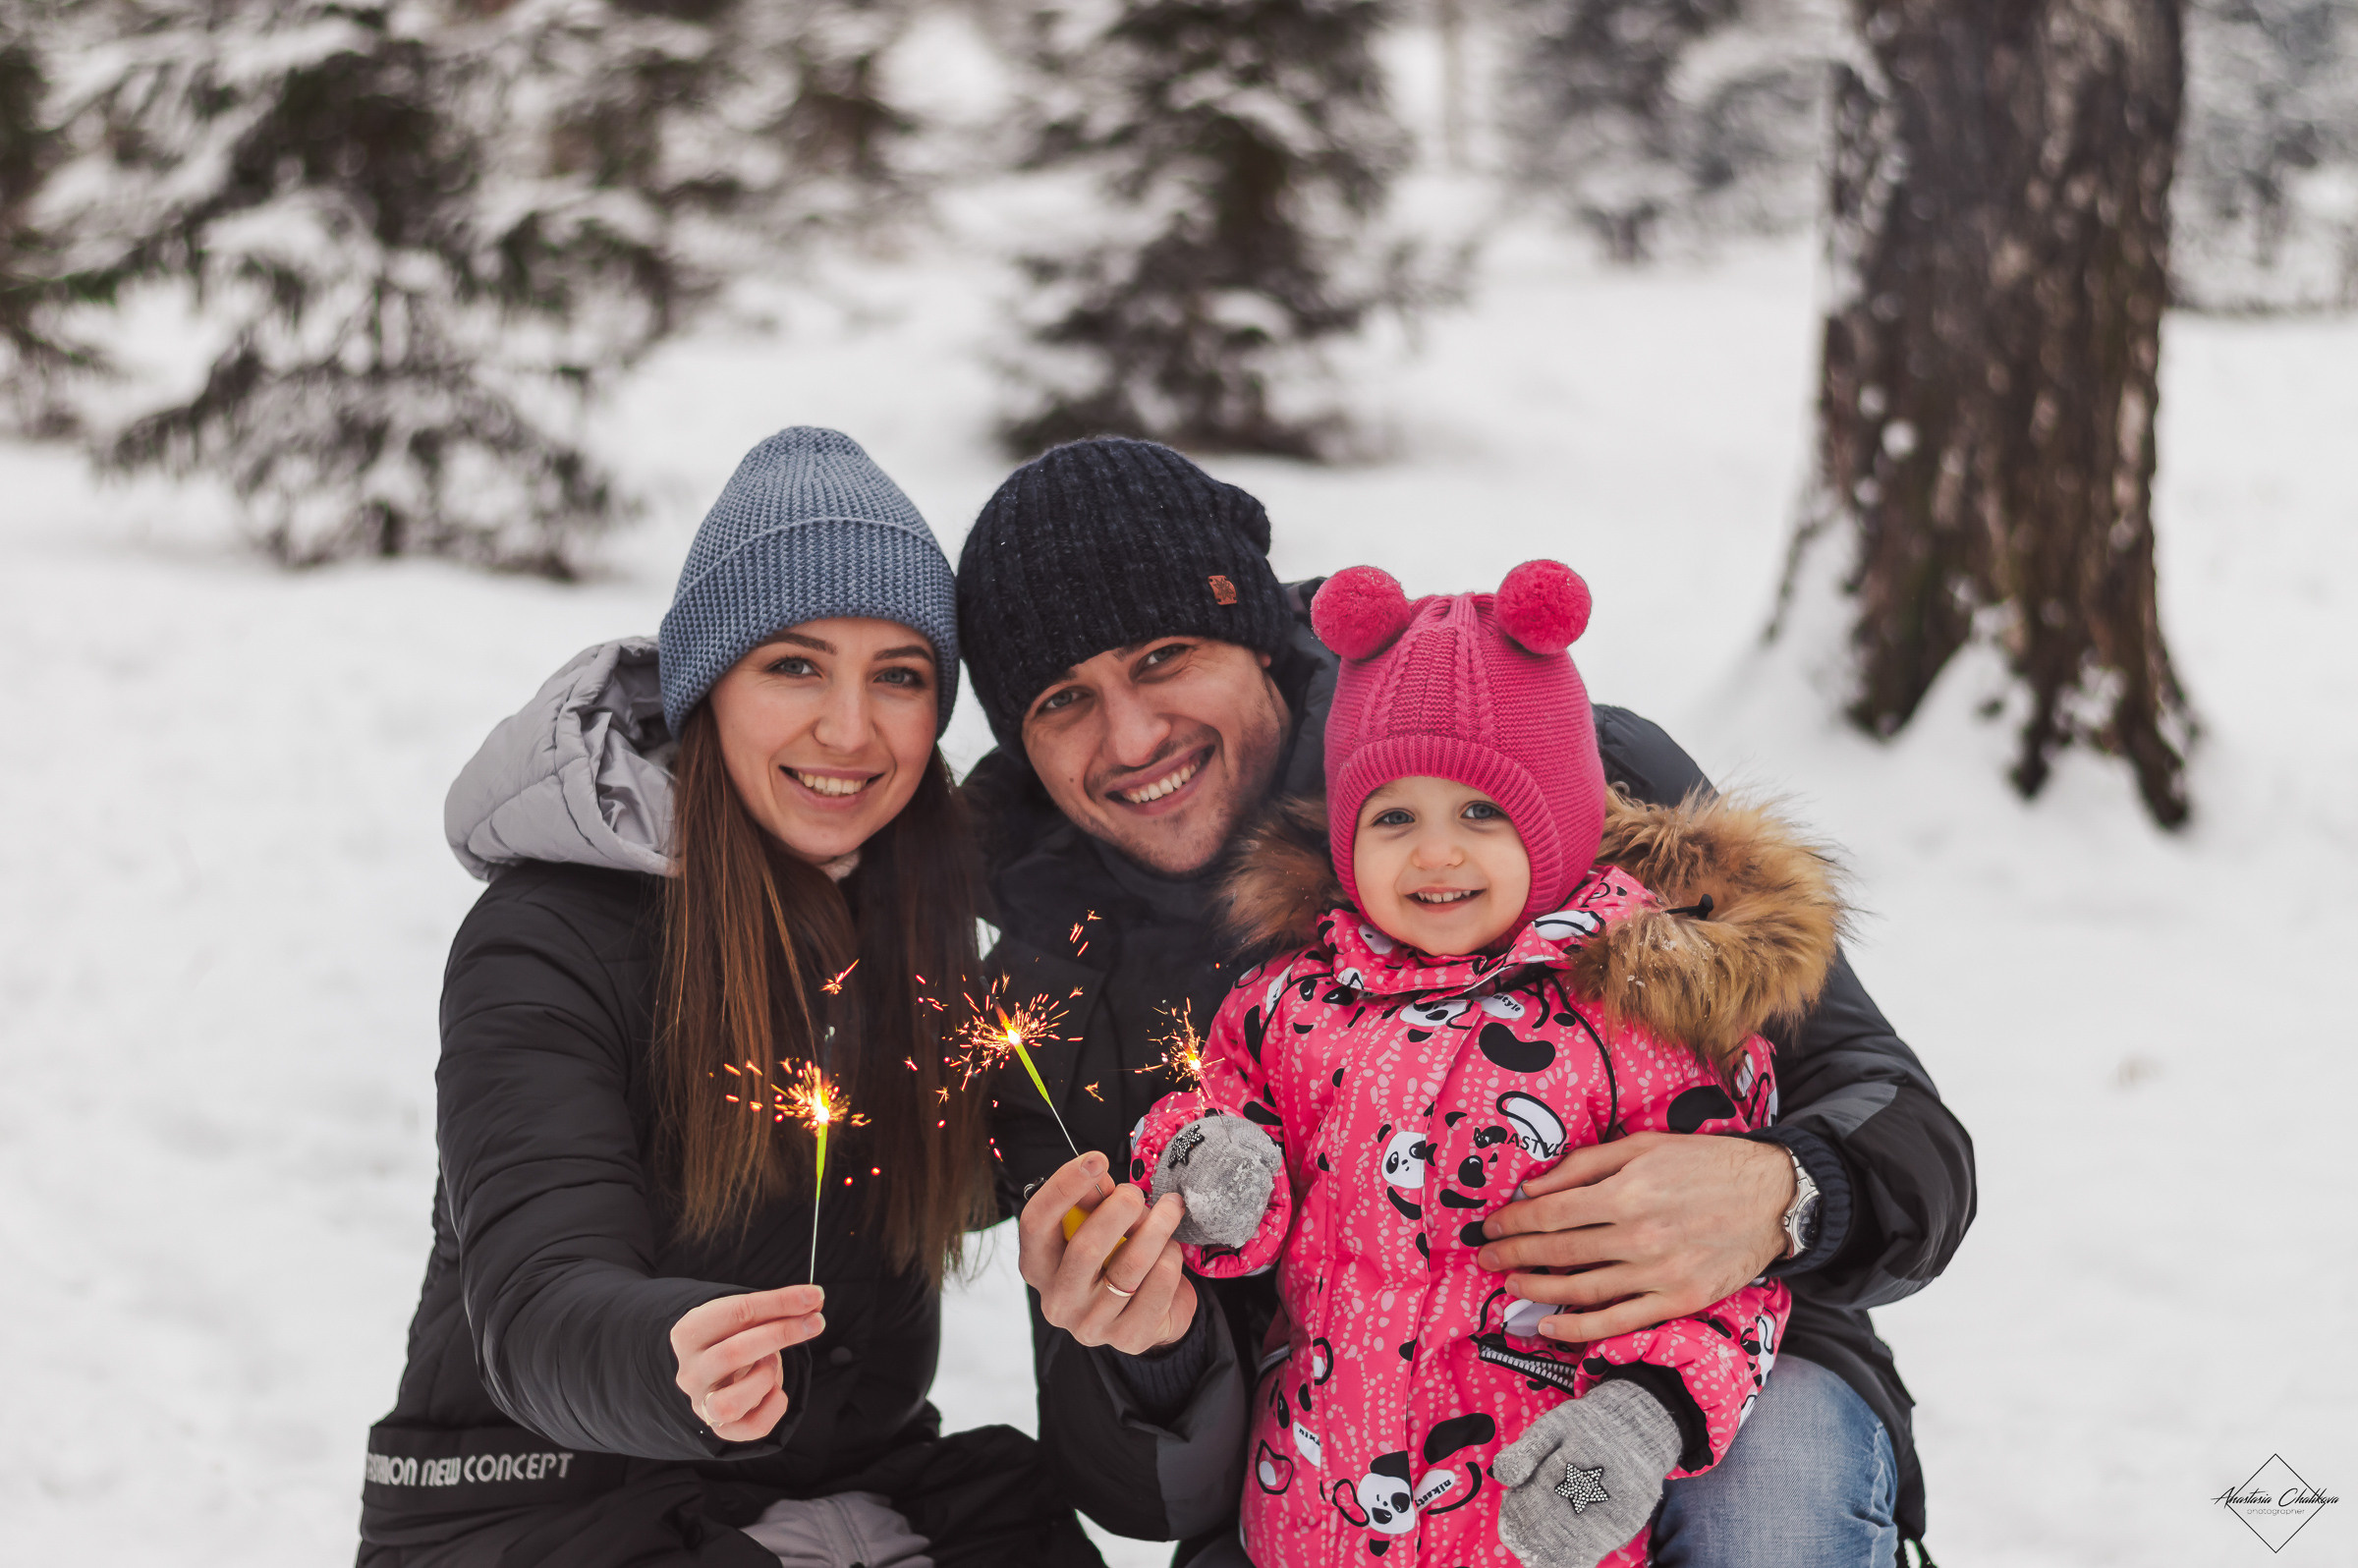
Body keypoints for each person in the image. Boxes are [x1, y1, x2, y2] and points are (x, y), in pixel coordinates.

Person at [954, 437, 1974, 1566]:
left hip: (1696, 1372)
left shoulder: (1547, 762)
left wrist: (1782, 1191)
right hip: (1335, 1461)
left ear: (1255, 636)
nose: (1132, 736)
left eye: (1164, 656)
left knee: (1767, 1521)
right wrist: (1153, 1354)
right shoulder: (1051, 998)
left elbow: (1907, 1132)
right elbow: (1154, 1500)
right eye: (1063, 700)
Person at [359, 428, 1101, 1568]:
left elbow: (1014, 1142)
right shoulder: (551, 937)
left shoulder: (913, 912)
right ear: (707, 690)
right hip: (543, 1511)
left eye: (898, 676)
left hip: (847, 1482)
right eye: (795, 666)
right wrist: (668, 1355)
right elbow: (539, 1294)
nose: (849, 729)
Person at [1130, 561, 1841, 1568]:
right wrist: (1209, 1172)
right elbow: (1214, 1120)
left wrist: (1641, 1421)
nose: (1434, 854)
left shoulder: (1645, 1017)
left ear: (1561, 821)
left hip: (1530, 1520)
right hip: (1311, 1518)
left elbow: (1722, 1270)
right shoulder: (1292, 1002)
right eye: (1394, 818)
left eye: (1480, 813)